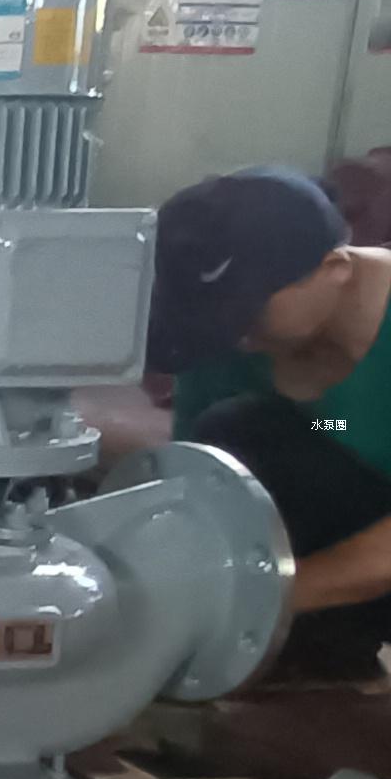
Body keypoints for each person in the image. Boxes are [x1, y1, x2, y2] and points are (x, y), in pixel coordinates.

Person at [149, 165, 391, 679]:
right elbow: (192, 484)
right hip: (349, 450)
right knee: (239, 431)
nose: (235, 335)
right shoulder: (231, 342)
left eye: (247, 310)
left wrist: (259, 596)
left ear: (335, 268)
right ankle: (322, 663)